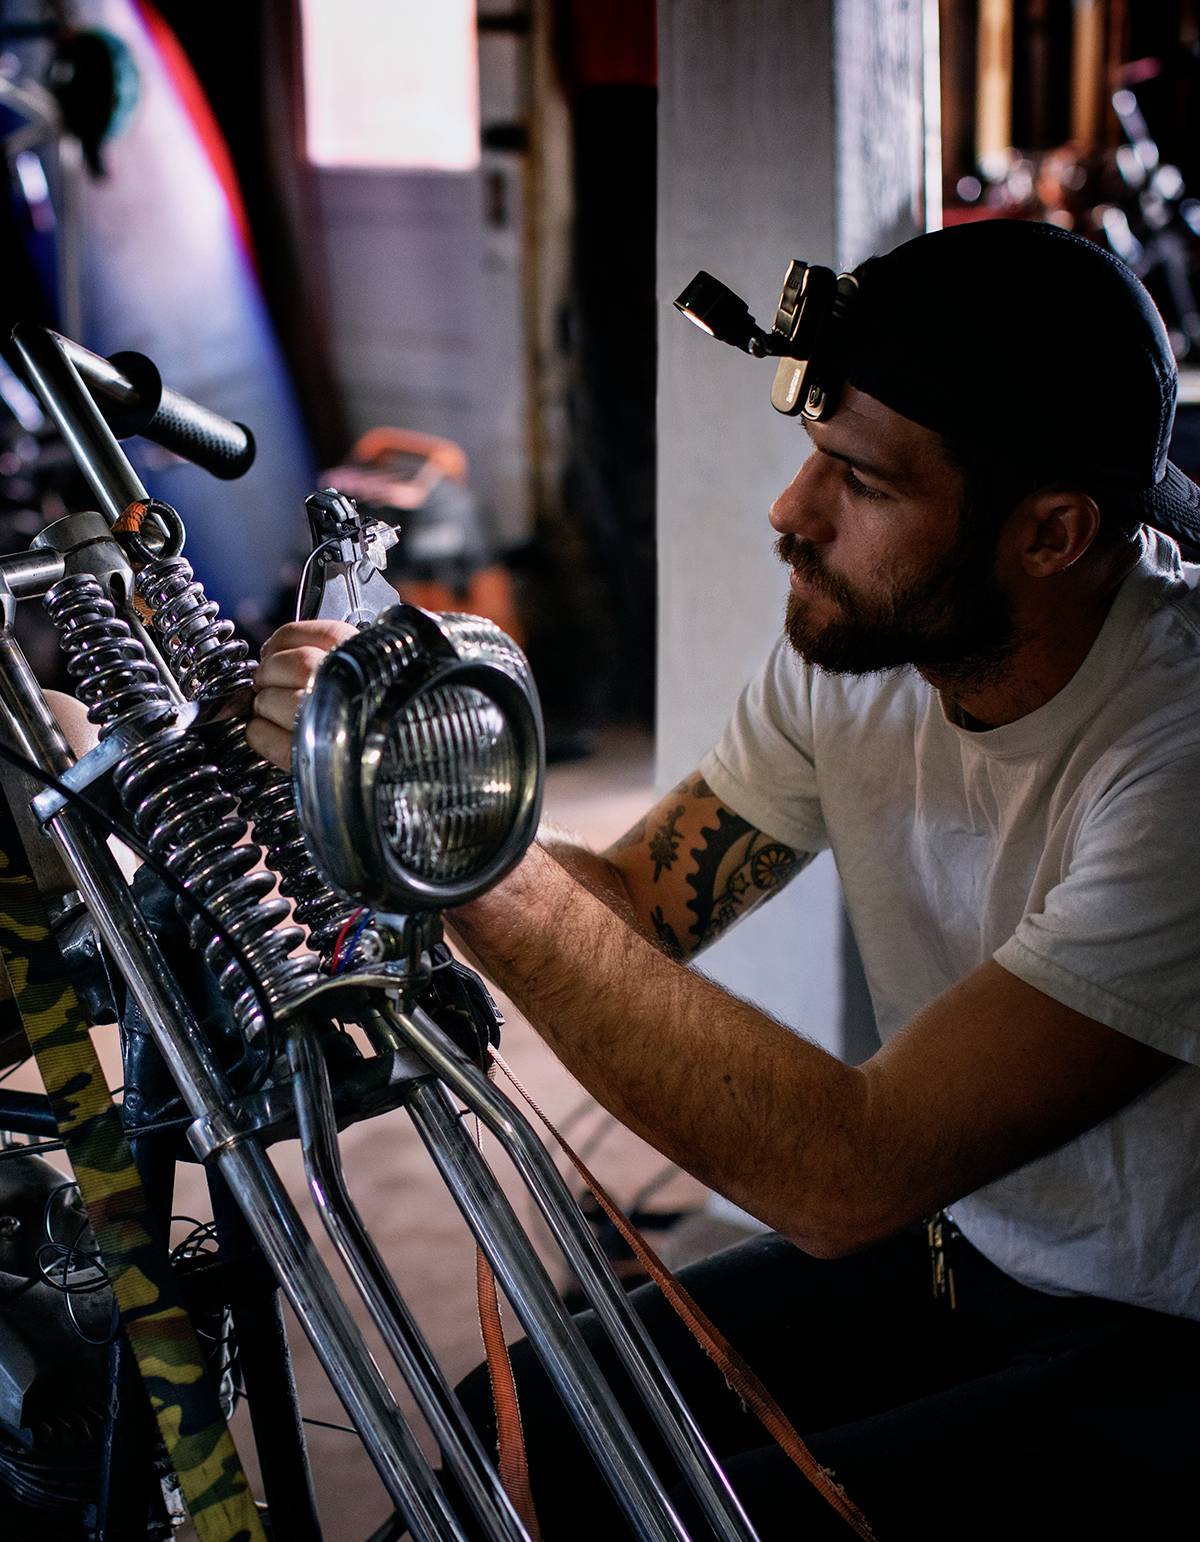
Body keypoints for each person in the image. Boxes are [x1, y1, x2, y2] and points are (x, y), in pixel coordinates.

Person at [249, 221, 1200, 1538]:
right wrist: (425, 769)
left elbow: (843, 1171)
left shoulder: (1178, 753)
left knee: (665, 1516)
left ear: (1051, 533)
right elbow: (637, 908)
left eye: (863, 482)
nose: (791, 512)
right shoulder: (862, 652)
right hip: (963, 1254)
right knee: (511, 1433)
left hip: (1157, 1357)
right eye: (818, 451)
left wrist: (447, 839)